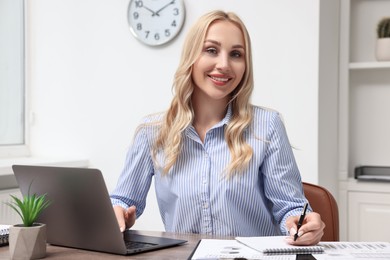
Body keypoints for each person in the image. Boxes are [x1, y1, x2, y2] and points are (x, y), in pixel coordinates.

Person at [110, 10, 325, 246]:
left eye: (236, 54)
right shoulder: (151, 133)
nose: (224, 65)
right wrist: (118, 213)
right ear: (191, 57)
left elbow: (290, 207)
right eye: (211, 50)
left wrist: (301, 223)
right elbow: (122, 200)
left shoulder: (267, 126)